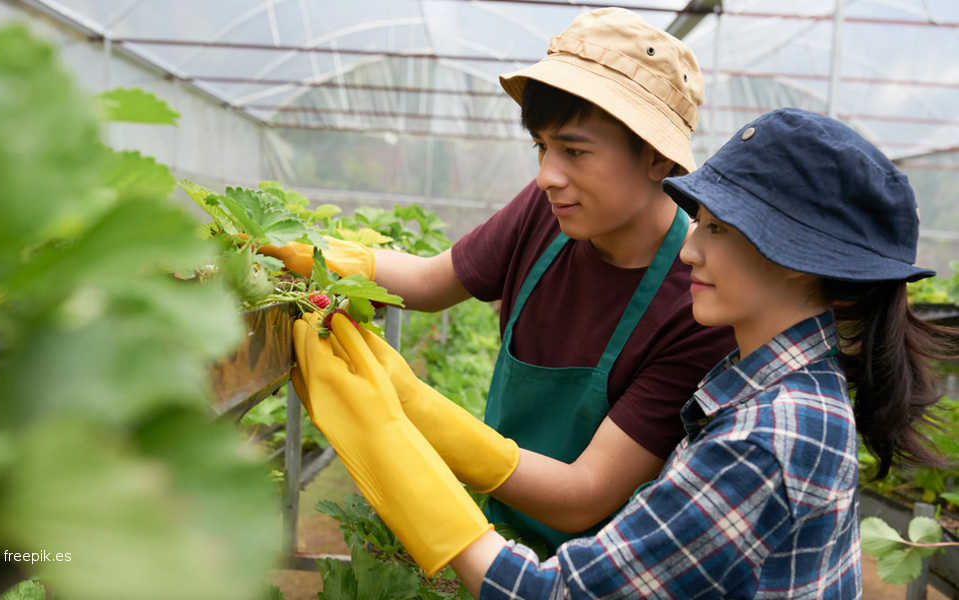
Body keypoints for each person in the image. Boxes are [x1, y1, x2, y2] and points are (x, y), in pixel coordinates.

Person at [291, 108, 958, 598]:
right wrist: (408, 403)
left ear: (797, 261)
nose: (690, 249)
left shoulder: (770, 435)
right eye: (698, 223)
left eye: (717, 230)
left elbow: (548, 594)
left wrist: (389, 436)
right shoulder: (764, 387)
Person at [271, 7, 735, 552]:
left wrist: (415, 407)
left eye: (575, 151)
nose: (547, 176)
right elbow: (429, 281)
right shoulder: (549, 213)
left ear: (657, 158)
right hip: (502, 529)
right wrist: (299, 252)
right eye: (541, 147)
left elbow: (585, 494)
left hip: (604, 566)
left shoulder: (698, 303)